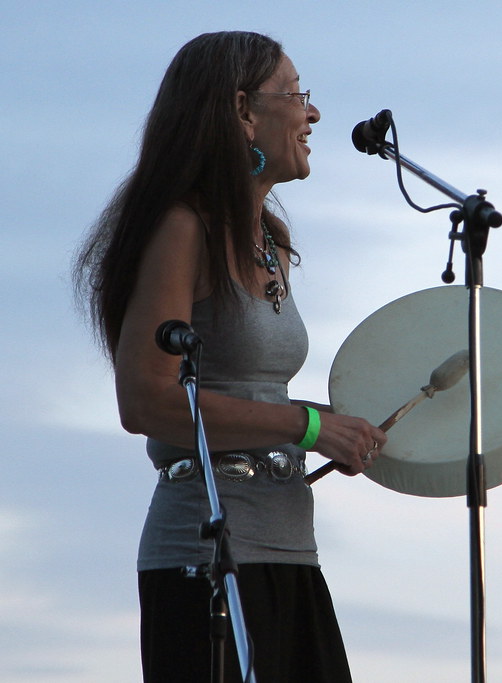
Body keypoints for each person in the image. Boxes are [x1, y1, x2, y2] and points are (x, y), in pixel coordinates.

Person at [74, 31, 387, 682]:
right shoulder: (182, 227)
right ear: (242, 111)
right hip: (203, 559)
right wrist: (308, 426)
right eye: (296, 94)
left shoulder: (270, 237)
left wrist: (336, 427)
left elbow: (256, 394)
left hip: (290, 550)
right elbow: (148, 401)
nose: (314, 113)